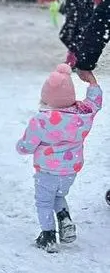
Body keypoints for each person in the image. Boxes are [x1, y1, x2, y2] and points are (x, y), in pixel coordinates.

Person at [16, 64, 102, 252]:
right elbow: (95, 102)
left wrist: (20, 147)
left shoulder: (41, 120)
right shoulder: (82, 114)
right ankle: (64, 218)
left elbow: (27, 146)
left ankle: (48, 236)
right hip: (71, 169)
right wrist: (92, 82)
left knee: (44, 202)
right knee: (59, 195)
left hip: (47, 170)